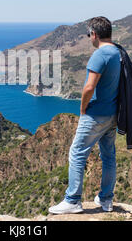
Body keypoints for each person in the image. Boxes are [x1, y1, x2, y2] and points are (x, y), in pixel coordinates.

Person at [49, 16, 121, 214]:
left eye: (89, 34)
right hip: (112, 114)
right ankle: (106, 200)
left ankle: (72, 200)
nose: (90, 38)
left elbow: (89, 87)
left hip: (96, 114)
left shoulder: (100, 55)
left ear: (94, 34)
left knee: (77, 153)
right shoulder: (118, 52)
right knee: (108, 156)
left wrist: (83, 108)